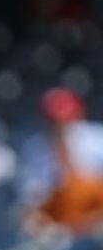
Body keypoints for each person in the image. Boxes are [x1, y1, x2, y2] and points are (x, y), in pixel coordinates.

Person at [20, 87, 103, 236]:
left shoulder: (96, 137)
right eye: (54, 121)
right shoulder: (35, 149)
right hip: (62, 226)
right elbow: (33, 196)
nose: (60, 125)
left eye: (66, 119)